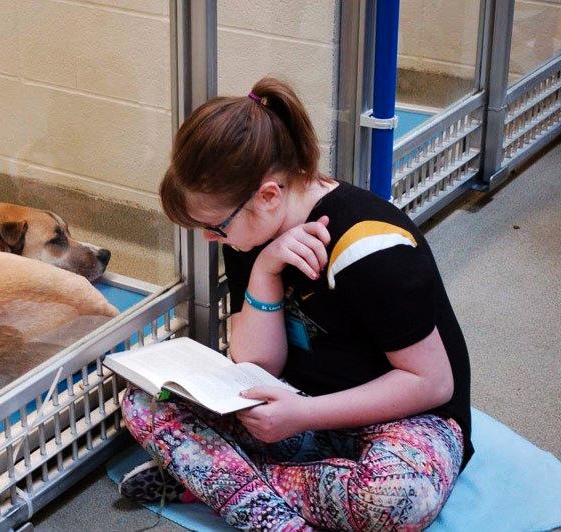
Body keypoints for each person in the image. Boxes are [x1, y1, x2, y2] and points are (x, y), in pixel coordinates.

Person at [118, 77, 473, 531]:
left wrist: (303, 414)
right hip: (299, 412)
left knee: (395, 497)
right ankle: (242, 485)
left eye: (215, 227)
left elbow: (433, 384)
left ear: (268, 196)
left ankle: (226, 486)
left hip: (406, 421)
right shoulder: (250, 234)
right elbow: (256, 363)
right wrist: (265, 271)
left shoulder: (370, 247)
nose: (210, 238)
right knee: (144, 402)